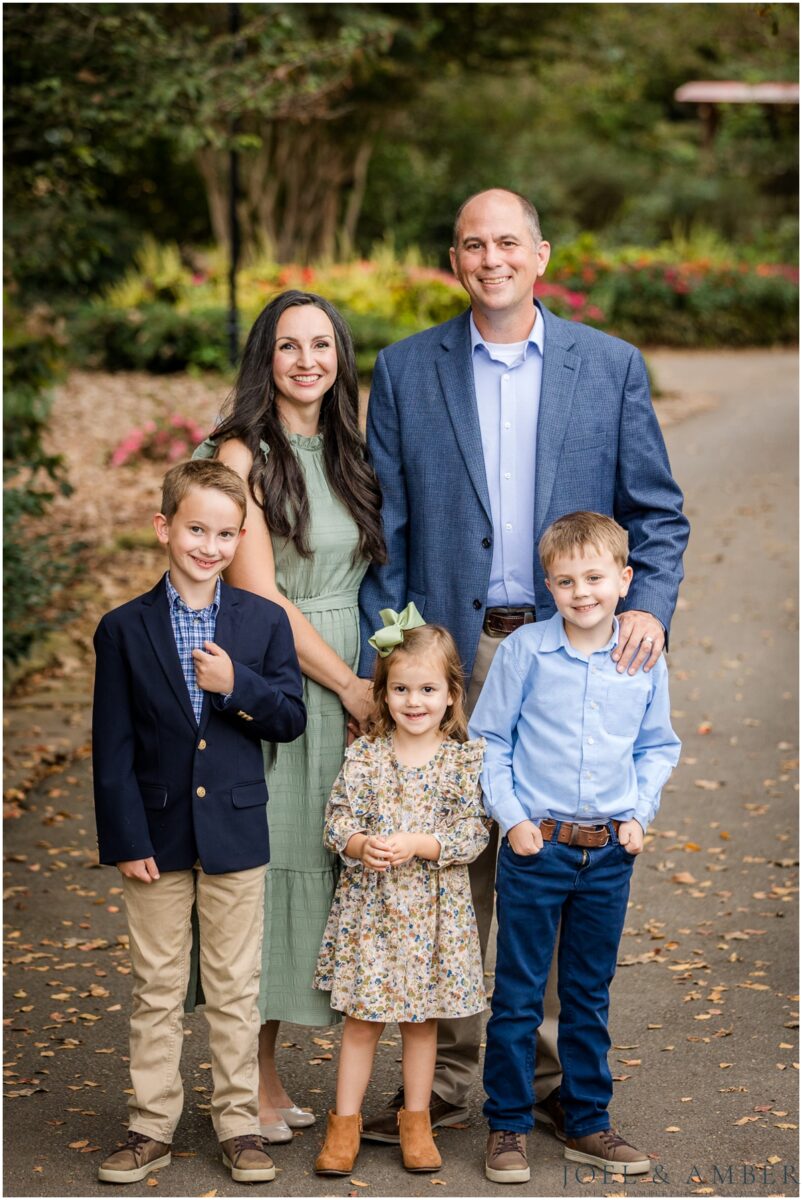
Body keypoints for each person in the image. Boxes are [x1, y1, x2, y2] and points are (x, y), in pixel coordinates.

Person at [358, 187, 690, 1141]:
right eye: (474, 244)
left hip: (570, 646)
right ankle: (445, 1077)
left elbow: (657, 515)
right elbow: (388, 534)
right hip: (448, 660)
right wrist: (393, 659)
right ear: (454, 261)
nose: (492, 258)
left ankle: (548, 1080)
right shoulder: (407, 369)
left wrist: (648, 611)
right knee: (451, 868)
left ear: (541, 255)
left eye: (509, 241)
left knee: (554, 859)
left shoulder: (610, 365)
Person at [191, 290, 386, 1141]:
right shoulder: (242, 453)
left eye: (321, 344)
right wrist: (348, 686)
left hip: (352, 666)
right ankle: (251, 1080)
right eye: (287, 346)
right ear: (263, 359)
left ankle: (267, 1070)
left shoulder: (348, 448)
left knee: (321, 863)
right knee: (267, 877)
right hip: (283, 674)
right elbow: (261, 594)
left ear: (340, 356)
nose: (307, 361)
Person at [92, 459, 306, 1185]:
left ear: (241, 538)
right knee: (156, 986)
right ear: (164, 528)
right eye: (195, 530)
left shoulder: (263, 620)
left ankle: (239, 1125)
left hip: (236, 834)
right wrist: (125, 838)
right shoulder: (123, 629)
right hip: (155, 838)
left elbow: (289, 718)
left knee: (235, 986)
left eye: (224, 534)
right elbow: (113, 747)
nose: (209, 547)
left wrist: (237, 685)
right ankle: (150, 1124)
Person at [470, 511, 681, 1181]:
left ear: (625, 580)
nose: (581, 592)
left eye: (594, 578)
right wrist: (512, 818)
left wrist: (639, 814)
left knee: (588, 994)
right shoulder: (526, 651)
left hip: (609, 853)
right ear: (549, 586)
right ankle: (507, 1123)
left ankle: (588, 1121)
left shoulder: (644, 657)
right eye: (565, 581)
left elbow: (657, 746)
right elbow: (490, 740)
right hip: (538, 846)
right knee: (519, 993)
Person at [312, 608, 490, 1177]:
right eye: (401, 689)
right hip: (374, 913)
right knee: (363, 1022)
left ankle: (417, 1123)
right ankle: (344, 1125)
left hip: (433, 918)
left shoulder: (462, 761)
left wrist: (421, 843)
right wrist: (360, 844)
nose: (414, 701)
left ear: (451, 694)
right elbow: (337, 819)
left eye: (428, 689)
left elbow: (472, 834)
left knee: (421, 1024)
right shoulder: (366, 755)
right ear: (384, 694)